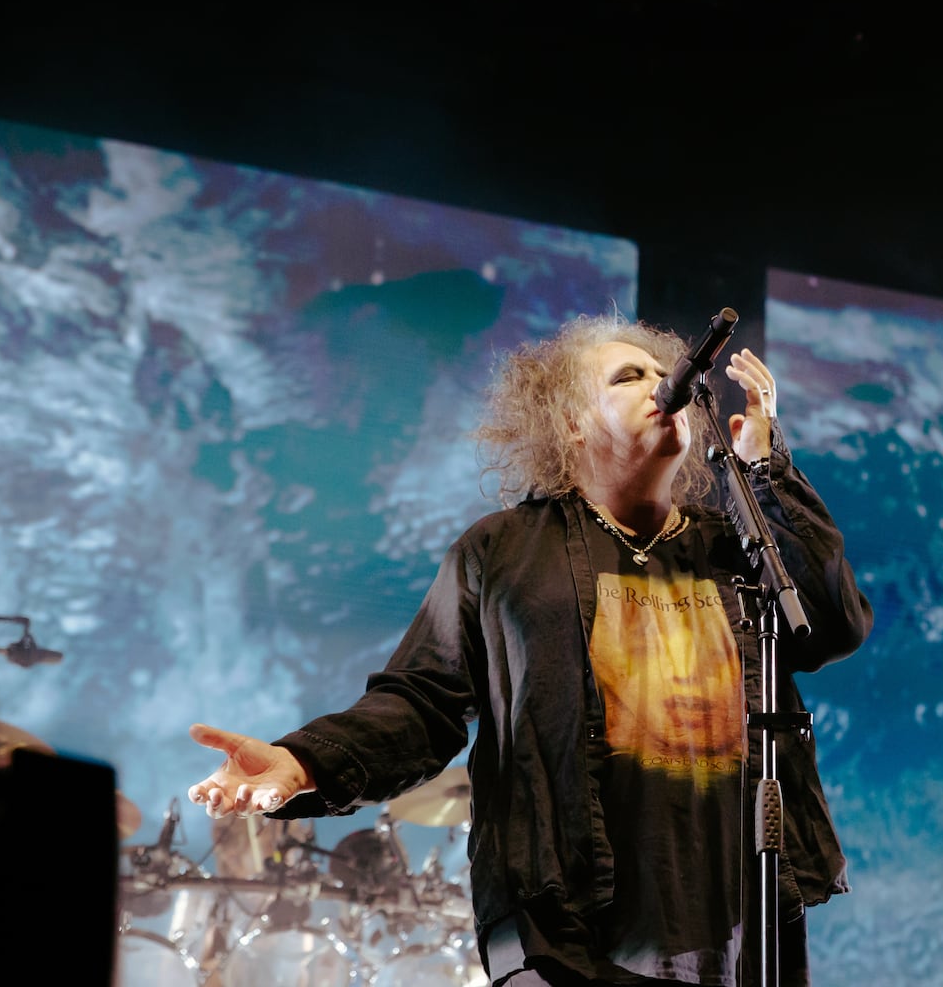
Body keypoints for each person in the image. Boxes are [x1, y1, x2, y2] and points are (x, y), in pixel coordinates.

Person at [187, 311, 872, 987]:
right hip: (567, 934)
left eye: (666, 376)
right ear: (571, 422)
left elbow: (831, 623)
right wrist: (302, 762)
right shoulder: (505, 551)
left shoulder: (731, 548)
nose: (663, 385)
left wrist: (766, 470)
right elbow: (422, 703)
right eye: (629, 376)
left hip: (734, 930)